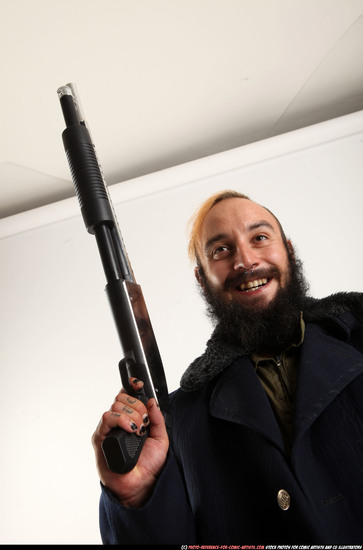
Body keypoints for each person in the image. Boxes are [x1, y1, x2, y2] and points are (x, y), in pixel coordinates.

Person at [92, 190, 363, 545]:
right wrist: (136, 497)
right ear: (203, 279)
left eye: (260, 238)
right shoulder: (177, 421)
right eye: (221, 250)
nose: (245, 260)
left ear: (290, 252)